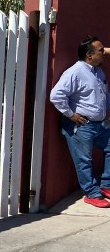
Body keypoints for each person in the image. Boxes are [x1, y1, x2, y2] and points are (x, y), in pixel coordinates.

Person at [50, 36, 110, 208]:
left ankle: (106, 185)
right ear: (89, 56)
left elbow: (103, 95)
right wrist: (70, 115)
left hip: (100, 125)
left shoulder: (98, 72)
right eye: (100, 51)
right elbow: (56, 95)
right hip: (81, 125)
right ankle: (92, 193)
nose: (104, 52)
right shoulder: (75, 72)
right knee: (84, 160)